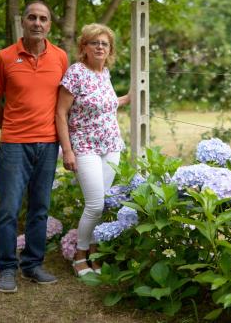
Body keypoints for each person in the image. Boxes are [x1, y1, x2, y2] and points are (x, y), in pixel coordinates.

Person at [0, 0, 68, 293]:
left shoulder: (60, 57)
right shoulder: (5, 57)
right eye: (32, 17)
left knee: (40, 208)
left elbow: (65, 102)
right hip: (14, 146)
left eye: (43, 18)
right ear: (23, 22)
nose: (37, 23)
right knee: (9, 209)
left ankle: (32, 264)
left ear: (48, 24)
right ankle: (7, 268)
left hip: (48, 145)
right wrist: (9, 129)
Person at [56, 23, 130, 276]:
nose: (100, 47)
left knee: (103, 202)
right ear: (84, 47)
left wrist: (128, 97)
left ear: (110, 50)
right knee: (95, 204)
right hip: (84, 147)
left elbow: (104, 103)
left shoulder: (105, 73)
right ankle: (79, 254)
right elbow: (61, 112)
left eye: (104, 43)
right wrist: (67, 150)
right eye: (94, 42)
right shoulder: (76, 72)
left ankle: (94, 254)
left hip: (111, 146)